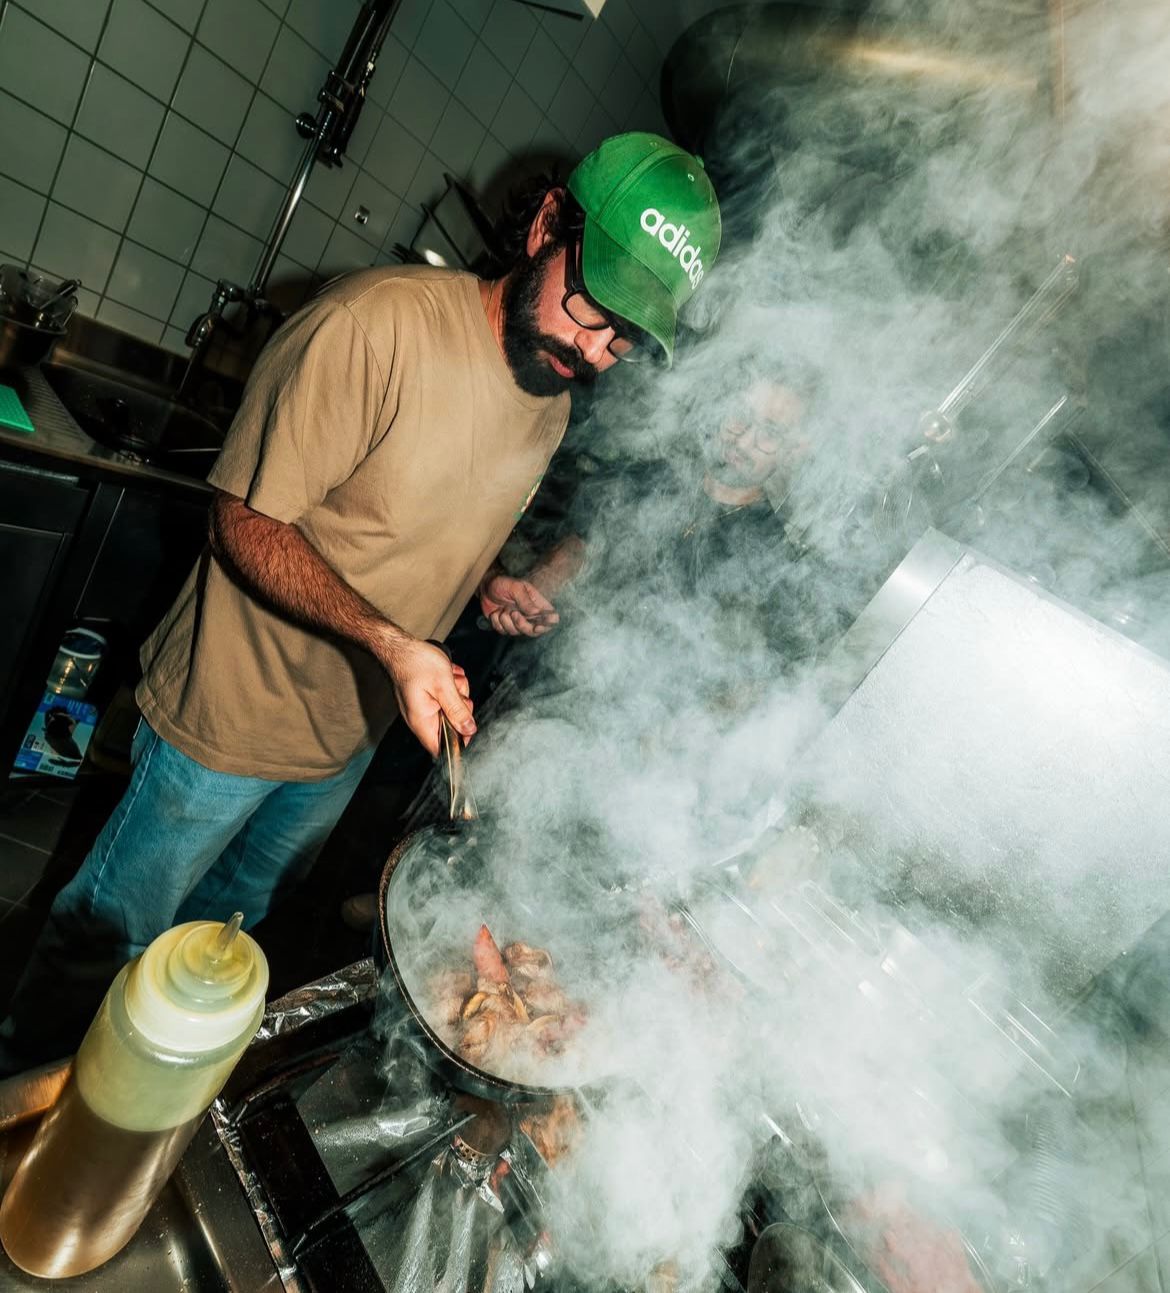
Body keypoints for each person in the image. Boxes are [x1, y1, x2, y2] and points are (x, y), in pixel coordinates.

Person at [0, 133, 722, 1072]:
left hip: (343, 742)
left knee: (219, 937)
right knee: (111, 929)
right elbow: (241, 520)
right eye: (591, 306)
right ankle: (22, 1091)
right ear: (548, 224)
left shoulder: (549, 403)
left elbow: (421, 519)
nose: (592, 349)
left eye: (623, 337)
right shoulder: (373, 326)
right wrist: (391, 642)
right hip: (227, 716)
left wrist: (490, 581)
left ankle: (128, 1087)